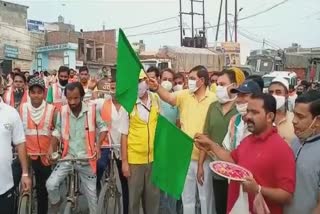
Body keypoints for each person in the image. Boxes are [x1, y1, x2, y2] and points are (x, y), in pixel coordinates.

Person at [195, 93, 296, 214]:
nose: (247, 116)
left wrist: (258, 189)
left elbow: (286, 195)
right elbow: (232, 160)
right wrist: (211, 145)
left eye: (254, 112)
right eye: (248, 111)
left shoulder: (282, 150)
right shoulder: (247, 141)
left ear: (269, 116)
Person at [148, 65, 216, 214]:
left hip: (205, 159)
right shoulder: (185, 95)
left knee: (205, 199)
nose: (189, 81)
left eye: (192, 78)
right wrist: (157, 87)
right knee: (188, 200)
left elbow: (210, 132)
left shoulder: (213, 100)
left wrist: (201, 162)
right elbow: (169, 98)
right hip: (185, 157)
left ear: (202, 80)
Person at [46, 82, 107, 214]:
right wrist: (51, 148)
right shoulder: (62, 111)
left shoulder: (92, 109)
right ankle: (57, 202)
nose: (72, 102)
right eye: (69, 99)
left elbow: (103, 128)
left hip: (87, 159)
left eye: (75, 98)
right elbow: (57, 132)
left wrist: (98, 146)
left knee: (92, 200)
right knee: (50, 185)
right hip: (68, 157)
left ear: (82, 96)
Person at [201, 68, 245, 214]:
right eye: (217, 84)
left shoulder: (242, 109)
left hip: (239, 169)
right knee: (220, 206)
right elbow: (205, 136)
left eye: (222, 84)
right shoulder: (213, 107)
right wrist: (201, 165)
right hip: (218, 168)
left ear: (234, 86)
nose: (218, 87)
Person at [120, 72, 161, 214]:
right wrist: (124, 162)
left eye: (141, 80)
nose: (139, 85)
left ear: (147, 81)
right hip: (135, 161)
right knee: (134, 201)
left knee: (153, 200)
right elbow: (124, 135)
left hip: (153, 159)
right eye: (135, 81)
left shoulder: (155, 99)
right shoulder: (128, 104)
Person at [19, 77, 55, 214]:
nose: (36, 95)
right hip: (25, 155)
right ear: (29, 93)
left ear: (44, 93)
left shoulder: (51, 109)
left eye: (39, 92)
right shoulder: (22, 108)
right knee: (17, 182)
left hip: (43, 157)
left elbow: (56, 132)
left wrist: (53, 149)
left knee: (42, 190)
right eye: (33, 92)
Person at [95, 80, 129, 214]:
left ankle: (126, 209)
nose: (115, 91)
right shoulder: (102, 103)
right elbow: (85, 104)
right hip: (106, 144)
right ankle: (97, 190)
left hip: (123, 147)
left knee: (125, 180)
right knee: (99, 166)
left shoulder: (129, 105)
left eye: (118, 88)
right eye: (113, 88)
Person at [285, 90, 320, 214]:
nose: (294, 121)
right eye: (294, 115)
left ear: (318, 120)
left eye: (300, 116)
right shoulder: (295, 143)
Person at [0, 75, 31, 214]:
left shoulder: (11, 113)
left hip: (4, 186)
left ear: (1, 88)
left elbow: (20, 142)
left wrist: (25, 174)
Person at [158, 68, 180, 214]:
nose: (167, 82)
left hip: (172, 146)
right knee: (159, 186)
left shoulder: (176, 99)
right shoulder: (154, 98)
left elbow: (179, 123)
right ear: (159, 80)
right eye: (164, 79)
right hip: (157, 146)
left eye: (170, 80)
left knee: (172, 186)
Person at [222, 80, 261, 151]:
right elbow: (228, 149)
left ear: (257, 98)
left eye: (244, 95)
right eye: (238, 95)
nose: (238, 99)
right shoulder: (235, 120)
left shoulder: (263, 122)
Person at [268, 77, 296, 144]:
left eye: (278, 92)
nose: (274, 95)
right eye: (271, 92)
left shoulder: (294, 119)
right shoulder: (262, 118)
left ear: (286, 96)